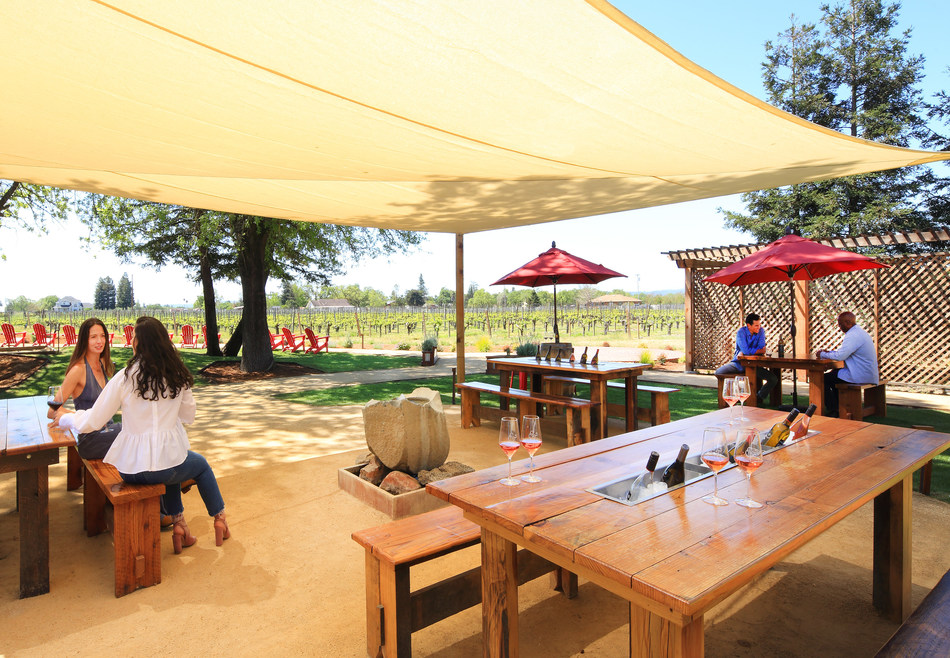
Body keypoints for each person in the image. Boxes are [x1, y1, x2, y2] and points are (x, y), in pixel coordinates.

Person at [54, 316, 230, 553]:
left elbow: (93, 420)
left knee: (168, 464)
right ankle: (220, 519)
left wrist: (65, 418)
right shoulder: (177, 375)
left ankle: (181, 527)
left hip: (131, 470)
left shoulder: (125, 377)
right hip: (167, 466)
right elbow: (189, 416)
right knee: (194, 464)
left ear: (138, 343)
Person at [47, 317, 121, 460]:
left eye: (102, 336)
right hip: (91, 438)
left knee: (137, 431)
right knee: (131, 433)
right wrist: (76, 417)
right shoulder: (78, 370)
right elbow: (52, 411)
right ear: (84, 340)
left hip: (107, 431)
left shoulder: (103, 364)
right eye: (93, 337)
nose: (99, 341)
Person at [817, 311, 879, 417]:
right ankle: (839, 407)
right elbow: (844, 352)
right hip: (866, 372)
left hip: (859, 375)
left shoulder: (852, 335)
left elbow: (840, 356)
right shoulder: (859, 332)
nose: (839, 327)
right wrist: (829, 353)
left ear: (848, 322)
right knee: (834, 375)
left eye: (840, 324)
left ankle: (834, 409)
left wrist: (822, 354)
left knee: (821, 379)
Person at [715, 312, 779, 403]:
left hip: (754, 366)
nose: (759, 327)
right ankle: (736, 395)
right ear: (748, 325)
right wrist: (756, 351)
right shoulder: (741, 332)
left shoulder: (761, 331)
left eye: (759, 325)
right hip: (738, 363)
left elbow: (761, 348)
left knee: (773, 379)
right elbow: (746, 351)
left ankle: (759, 396)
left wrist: (750, 351)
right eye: (756, 325)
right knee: (719, 372)